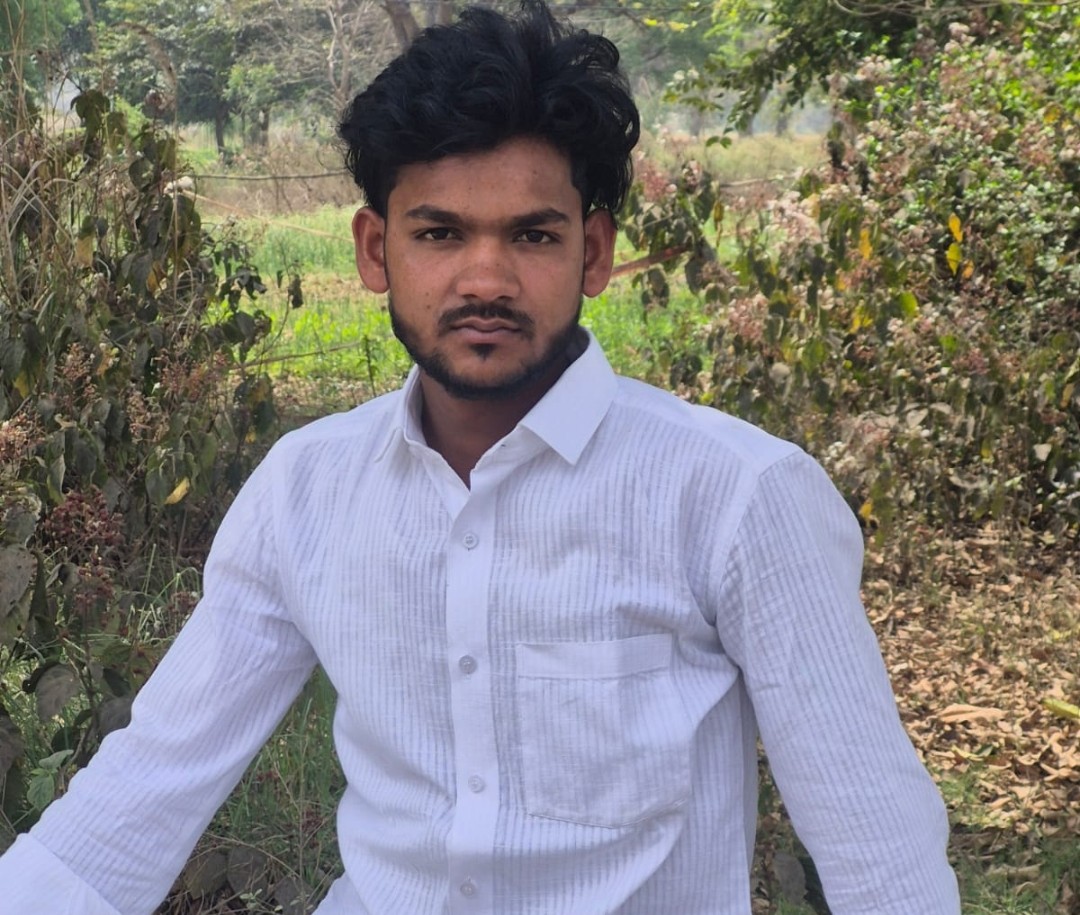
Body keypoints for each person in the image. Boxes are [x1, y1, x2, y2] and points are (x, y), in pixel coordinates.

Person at [0, 2, 960, 912]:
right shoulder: (305, 490)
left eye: (532, 235)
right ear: (376, 251)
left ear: (593, 254)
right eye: (440, 234)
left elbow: (878, 849)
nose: (486, 278)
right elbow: (149, 780)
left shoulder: (737, 497)